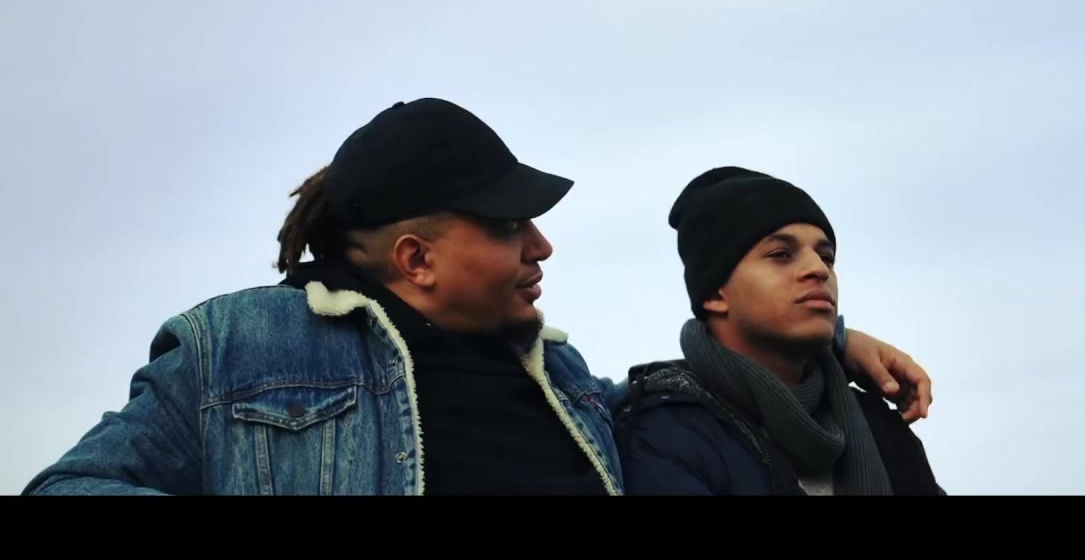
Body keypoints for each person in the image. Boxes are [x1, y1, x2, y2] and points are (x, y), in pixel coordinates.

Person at [22, 98, 933, 496]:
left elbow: (698, 394)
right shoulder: (239, 349)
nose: (540, 246)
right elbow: (68, 486)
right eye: (508, 226)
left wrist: (830, 341)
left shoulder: (567, 380)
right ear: (416, 257)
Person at [615, 167, 945, 495]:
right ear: (715, 293)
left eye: (826, 257)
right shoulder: (666, 429)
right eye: (781, 255)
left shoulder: (879, 426)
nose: (818, 269)